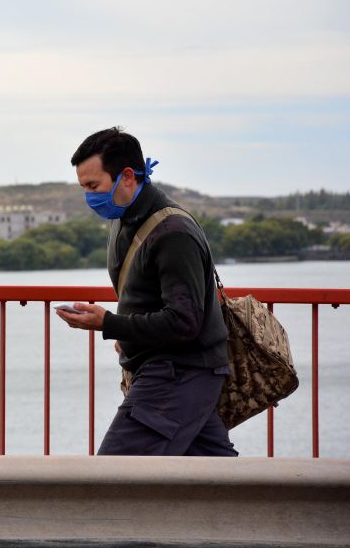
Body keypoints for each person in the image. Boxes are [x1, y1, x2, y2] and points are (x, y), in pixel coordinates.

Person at [56, 127, 237, 456]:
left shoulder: (173, 233)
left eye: (93, 187)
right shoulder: (124, 219)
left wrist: (110, 324)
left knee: (114, 477)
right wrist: (128, 334)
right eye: (83, 188)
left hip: (179, 374)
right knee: (217, 483)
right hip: (173, 372)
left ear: (127, 176)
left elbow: (185, 322)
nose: (89, 198)